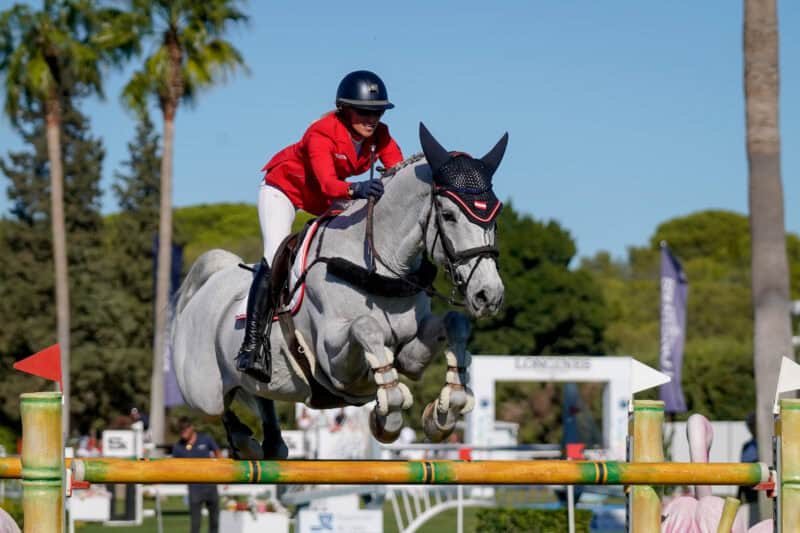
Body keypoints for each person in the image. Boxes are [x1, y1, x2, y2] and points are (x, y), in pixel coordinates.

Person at [236, 70, 404, 380]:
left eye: (377, 111)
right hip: (285, 189)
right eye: (364, 111)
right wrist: (357, 189)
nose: (372, 119)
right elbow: (328, 185)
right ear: (344, 109)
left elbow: (398, 170)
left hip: (327, 197)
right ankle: (252, 345)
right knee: (275, 253)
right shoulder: (321, 133)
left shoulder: (381, 135)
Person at [172, 417, 222, 533]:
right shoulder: (178, 447)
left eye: (185, 429)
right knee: (195, 525)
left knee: (215, 522)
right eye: (181, 430)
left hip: (211, 485)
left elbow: (218, 453)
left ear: (191, 428)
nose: (182, 432)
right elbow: (174, 467)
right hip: (194, 488)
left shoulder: (205, 438)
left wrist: (221, 473)